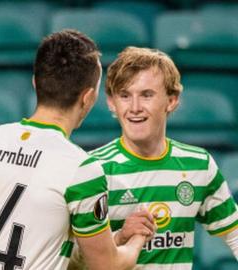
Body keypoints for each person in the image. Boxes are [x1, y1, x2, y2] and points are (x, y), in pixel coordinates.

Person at [0, 30, 153, 270]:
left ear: (36, 83)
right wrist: (137, 239)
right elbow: (107, 266)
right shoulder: (81, 169)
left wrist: (115, 239)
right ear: (88, 97)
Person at [74, 46, 238, 269]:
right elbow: (71, 261)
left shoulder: (199, 165)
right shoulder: (93, 169)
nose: (135, 108)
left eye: (146, 95)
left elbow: (234, 235)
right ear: (112, 102)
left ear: (171, 100)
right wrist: (120, 237)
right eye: (124, 95)